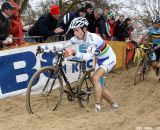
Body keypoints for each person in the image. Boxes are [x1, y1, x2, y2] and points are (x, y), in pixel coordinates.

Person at [39, 17, 119, 112]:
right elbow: (62, 46)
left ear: (84, 29)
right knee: (99, 85)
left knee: (95, 78)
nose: (75, 33)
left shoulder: (92, 39)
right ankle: (114, 104)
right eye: (74, 31)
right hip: (99, 59)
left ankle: (97, 107)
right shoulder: (77, 38)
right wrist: (43, 48)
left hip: (109, 58)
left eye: (77, 30)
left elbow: (87, 57)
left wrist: (73, 53)